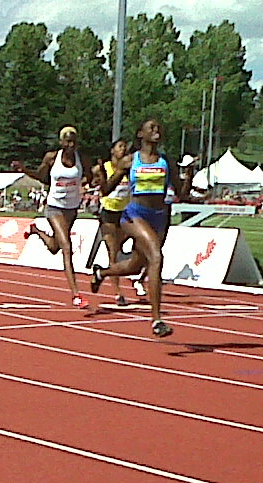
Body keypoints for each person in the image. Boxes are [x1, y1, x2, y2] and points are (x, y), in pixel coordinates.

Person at [91, 118, 191, 338]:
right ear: (140, 134)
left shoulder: (166, 161)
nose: (156, 130)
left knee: (136, 266)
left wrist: (189, 176)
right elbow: (106, 190)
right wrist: (101, 176)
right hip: (134, 215)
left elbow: (182, 193)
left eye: (158, 127)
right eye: (151, 128)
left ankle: (102, 272)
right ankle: (157, 320)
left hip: (160, 217)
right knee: (156, 257)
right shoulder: (130, 161)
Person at [12, 125, 93, 309]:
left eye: (74, 141)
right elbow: (42, 177)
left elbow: (90, 176)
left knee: (54, 247)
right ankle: (76, 295)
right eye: (67, 141)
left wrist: (89, 184)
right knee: (66, 246)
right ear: (61, 142)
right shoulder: (51, 158)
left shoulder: (83, 160)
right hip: (54, 207)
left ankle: (35, 230)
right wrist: (24, 169)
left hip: (71, 209)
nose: (71, 145)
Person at [87, 138, 142, 306]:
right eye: (119, 147)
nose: (123, 149)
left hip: (125, 214)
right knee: (113, 254)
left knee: (138, 246)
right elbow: (93, 183)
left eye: (125, 147)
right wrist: (98, 179)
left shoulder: (129, 168)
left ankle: (102, 273)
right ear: (112, 150)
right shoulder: (104, 167)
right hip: (109, 214)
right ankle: (118, 293)